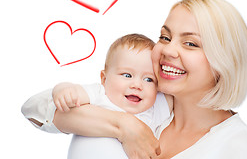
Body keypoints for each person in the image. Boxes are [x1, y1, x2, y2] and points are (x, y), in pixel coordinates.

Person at [23, 0, 247, 159]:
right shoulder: (144, 98)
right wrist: (124, 126)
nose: (167, 50)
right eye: (165, 37)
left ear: (224, 61)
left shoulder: (236, 145)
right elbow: (36, 110)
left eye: (190, 43)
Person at [21, 33, 173, 158]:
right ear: (104, 79)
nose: (137, 85)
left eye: (148, 79)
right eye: (127, 75)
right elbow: (70, 93)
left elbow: (181, 95)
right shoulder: (99, 95)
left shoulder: (152, 109)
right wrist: (62, 89)